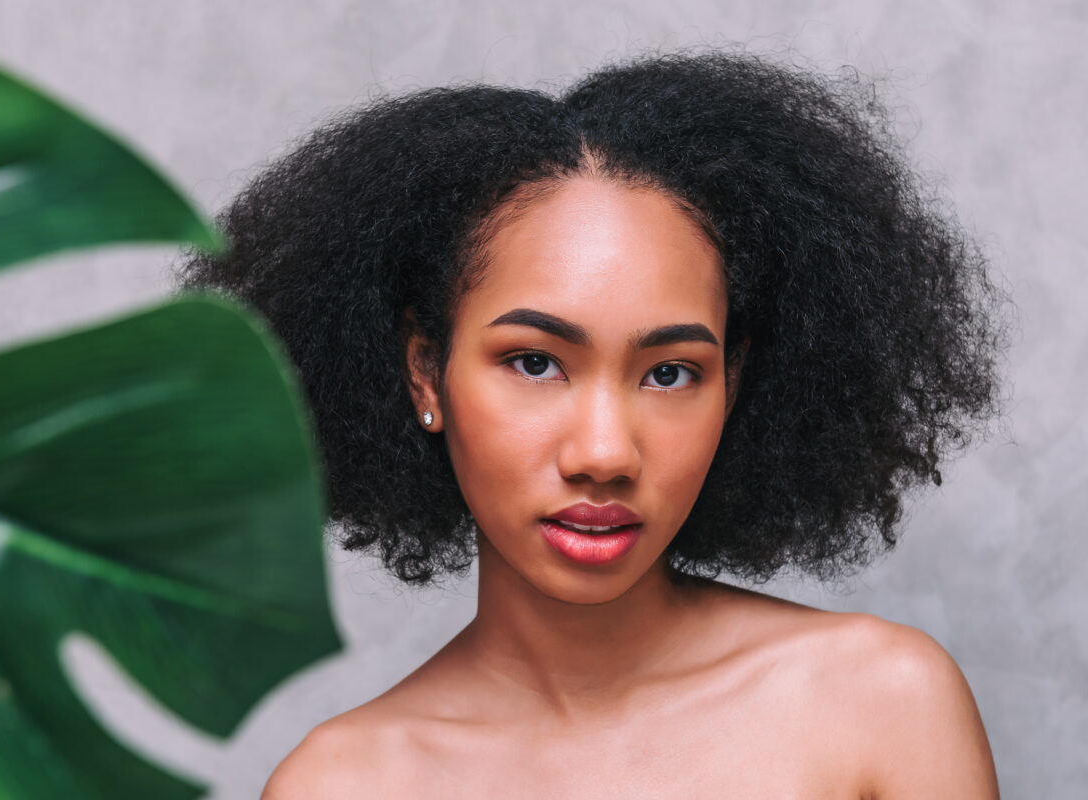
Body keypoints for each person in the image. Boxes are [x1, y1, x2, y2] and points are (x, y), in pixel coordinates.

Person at [179, 51, 1005, 798]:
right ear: (424, 369)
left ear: (736, 381)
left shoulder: (880, 702)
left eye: (670, 373)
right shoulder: (345, 785)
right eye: (535, 362)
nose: (605, 453)